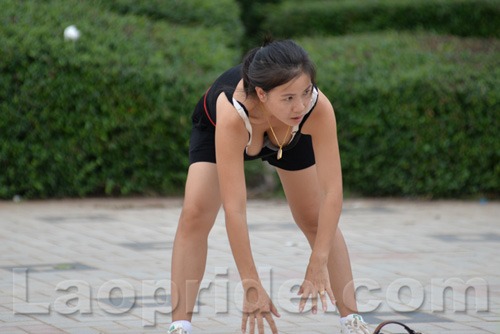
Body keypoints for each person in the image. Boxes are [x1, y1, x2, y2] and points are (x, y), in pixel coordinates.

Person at [168, 39, 370, 334]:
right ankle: (179, 325)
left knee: (314, 217)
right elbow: (235, 209)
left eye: (305, 91)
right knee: (195, 214)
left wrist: (319, 260)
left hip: (288, 136)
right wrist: (251, 285)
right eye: (288, 97)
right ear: (261, 93)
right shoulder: (232, 112)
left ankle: (352, 321)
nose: (300, 104)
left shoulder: (314, 109)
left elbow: (332, 192)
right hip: (219, 129)